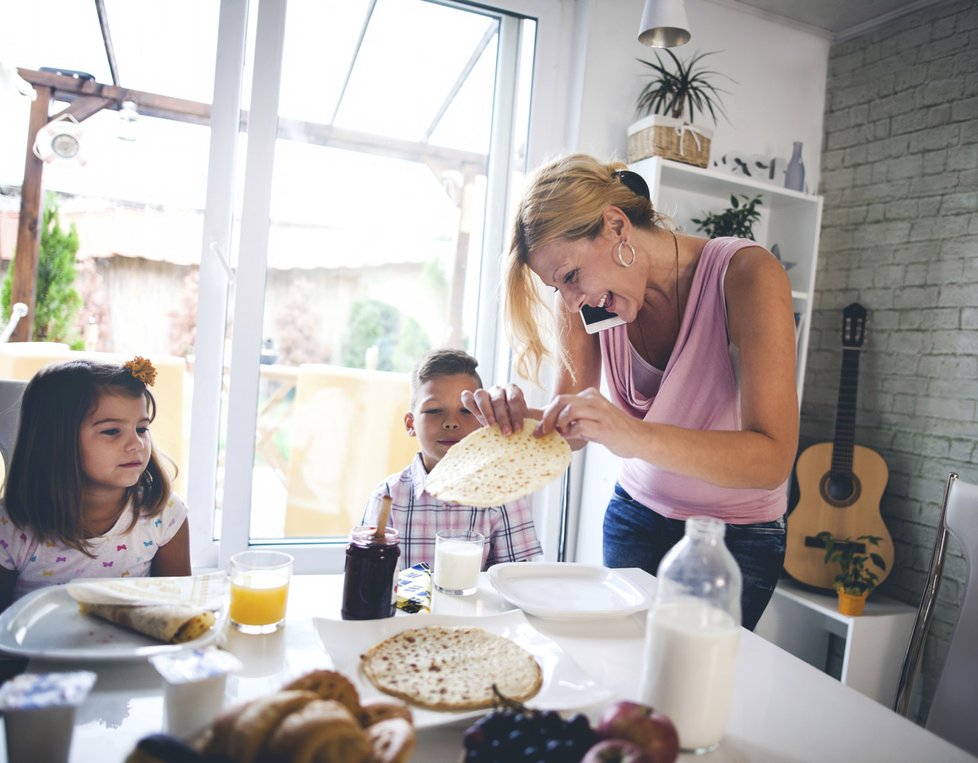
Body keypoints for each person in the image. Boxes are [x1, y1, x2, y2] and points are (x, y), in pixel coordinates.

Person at [462, 154, 799, 630]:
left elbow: (772, 461)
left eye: (571, 276)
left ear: (616, 226)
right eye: (559, 288)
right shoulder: (586, 304)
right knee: (618, 677)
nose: (572, 300)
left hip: (732, 543)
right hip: (634, 518)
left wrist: (630, 435)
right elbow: (572, 431)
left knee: (692, 691)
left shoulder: (746, 277)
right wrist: (521, 420)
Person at [0, 357, 191, 613]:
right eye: (112, 431)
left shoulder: (163, 514)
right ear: (56, 441)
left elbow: (178, 612)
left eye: (142, 429)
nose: (136, 444)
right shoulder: (11, 526)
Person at [361, 348, 542, 570]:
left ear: (485, 420)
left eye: (466, 411)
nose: (451, 423)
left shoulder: (504, 496)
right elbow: (366, 575)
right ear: (410, 424)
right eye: (435, 410)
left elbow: (517, 581)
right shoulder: (388, 497)